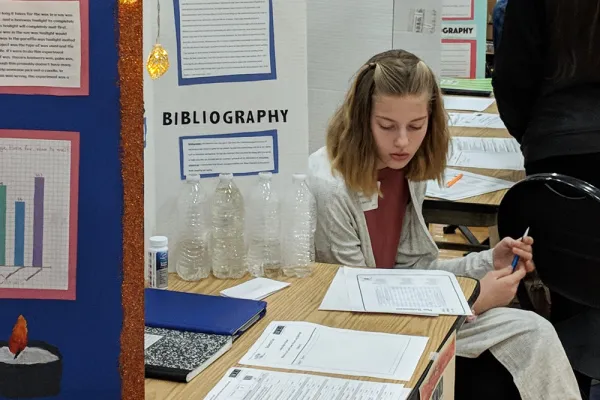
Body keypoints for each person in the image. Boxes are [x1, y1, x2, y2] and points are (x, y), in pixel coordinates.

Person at [308, 49, 581, 400]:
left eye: (416, 126)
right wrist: (473, 300)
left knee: (534, 331)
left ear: (431, 120)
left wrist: (486, 261)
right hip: (363, 332)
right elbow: (358, 312)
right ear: (361, 119)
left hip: (399, 308)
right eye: (387, 126)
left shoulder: (407, 170)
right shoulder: (330, 186)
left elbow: (413, 270)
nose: (403, 141)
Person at [493, 1, 600, 397]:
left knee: (569, 295)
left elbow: (512, 80)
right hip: (559, 148)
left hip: (558, 157)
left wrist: (538, 138)